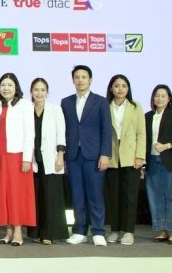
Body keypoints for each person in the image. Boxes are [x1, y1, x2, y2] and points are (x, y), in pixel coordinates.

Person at [61, 65, 112, 246]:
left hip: (94, 155)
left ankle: (98, 231)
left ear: (90, 80)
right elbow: (64, 130)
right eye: (77, 77)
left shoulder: (101, 102)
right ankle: (79, 231)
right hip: (73, 156)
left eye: (84, 77)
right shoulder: (66, 102)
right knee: (77, 195)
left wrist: (105, 154)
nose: (80, 80)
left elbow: (106, 130)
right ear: (73, 80)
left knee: (95, 195)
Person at [0, 72, 36, 246]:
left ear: (16, 87)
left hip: (17, 156)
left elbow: (30, 133)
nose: (6, 88)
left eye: (10, 85)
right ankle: (8, 231)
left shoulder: (24, 104)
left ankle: (18, 231)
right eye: (3, 85)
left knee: (16, 194)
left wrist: (27, 158)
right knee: (3, 194)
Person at [144, 84, 172, 244]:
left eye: (163, 96)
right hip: (152, 161)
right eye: (157, 95)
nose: (159, 98)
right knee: (155, 196)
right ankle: (162, 230)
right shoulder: (147, 116)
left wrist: (167, 146)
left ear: (169, 98)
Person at [106, 74, 146, 245]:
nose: (120, 89)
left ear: (128, 88)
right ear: (111, 88)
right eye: (117, 86)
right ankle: (115, 230)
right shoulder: (105, 106)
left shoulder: (136, 107)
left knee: (130, 197)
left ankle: (128, 232)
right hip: (112, 158)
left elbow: (141, 133)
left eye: (124, 86)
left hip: (131, 157)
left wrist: (140, 156)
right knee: (113, 196)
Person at [28, 77, 67, 245]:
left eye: (42, 90)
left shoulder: (55, 109)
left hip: (51, 159)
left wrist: (60, 155)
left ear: (47, 92)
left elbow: (61, 133)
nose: (39, 93)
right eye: (36, 90)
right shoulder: (27, 109)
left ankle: (48, 234)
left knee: (51, 197)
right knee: (36, 197)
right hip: (33, 159)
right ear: (31, 92)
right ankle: (36, 232)